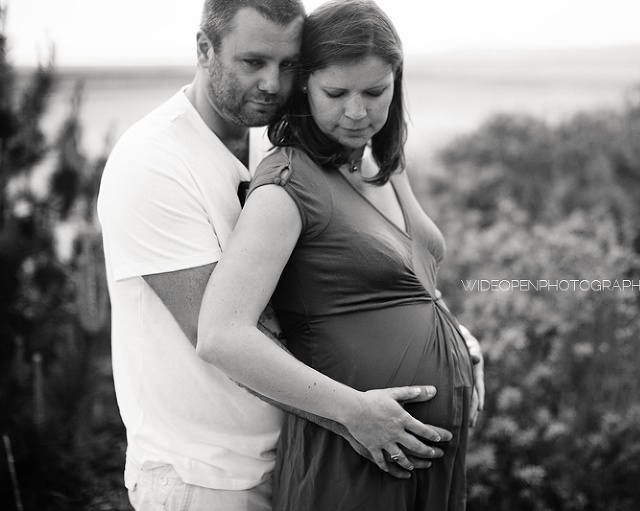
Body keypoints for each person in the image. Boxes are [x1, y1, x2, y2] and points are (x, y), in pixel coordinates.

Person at [98, 1, 474, 509]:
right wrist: (354, 413)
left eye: (288, 65)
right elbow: (222, 334)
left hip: (296, 449)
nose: (273, 84)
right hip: (208, 475)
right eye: (253, 62)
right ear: (205, 49)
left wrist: (452, 348)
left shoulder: (267, 141)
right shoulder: (153, 162)